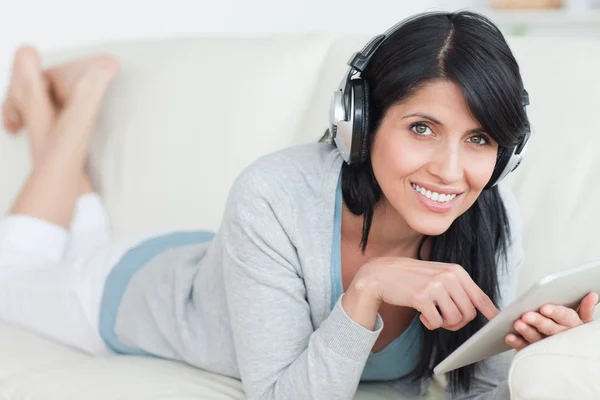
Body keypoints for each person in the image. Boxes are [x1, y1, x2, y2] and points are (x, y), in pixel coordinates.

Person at [0, 10, 596, 400]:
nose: (449, 170)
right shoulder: (273, 193)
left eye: (478, 140)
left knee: (76, 237)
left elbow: (473, 388)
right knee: (15, 269)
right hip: (130, 291)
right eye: (420, 128)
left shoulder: (491, 218)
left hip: (229, 261)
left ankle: (55, 107)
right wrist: (368, 291)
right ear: (360, 124)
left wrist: (541, 356)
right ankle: (80, 97)